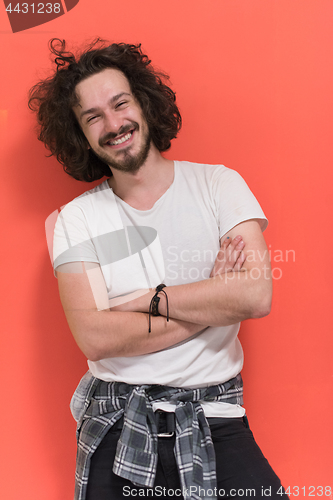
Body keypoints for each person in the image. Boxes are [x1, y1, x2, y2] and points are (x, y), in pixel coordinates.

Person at [29, 39, 288, 500]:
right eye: (93, 117)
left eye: (120, 103)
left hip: (215, 415)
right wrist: (213, 298)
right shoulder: (77, 219)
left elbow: (255, 296)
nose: (113, 125)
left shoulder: (219, 185)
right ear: (80, 134)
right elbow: (95, 336)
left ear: (143, 103)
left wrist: (146, 301)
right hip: (118, 420)